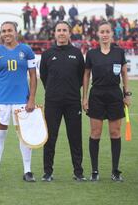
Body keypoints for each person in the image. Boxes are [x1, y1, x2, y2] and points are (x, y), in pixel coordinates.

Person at [0, 21, 37, 182]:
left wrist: (32, 99)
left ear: (16, 32)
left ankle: (27, 171)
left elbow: (34, 76)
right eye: (3, 31)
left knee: (23, 137)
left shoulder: (26, 50)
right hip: (1, 101)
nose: (6, 33)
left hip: (22, 100)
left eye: (9, 30)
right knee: (0, 135)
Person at [82, 21, 131, 182]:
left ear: (112, 34)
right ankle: (95, 171)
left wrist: (127, 93)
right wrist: (85, 97)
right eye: (102, 31)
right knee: (95, 133)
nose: (104, 34)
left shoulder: (119, 53)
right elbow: (86, 75)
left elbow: (124, 74)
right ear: (97, 34)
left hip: (115, 95)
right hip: (96, 95)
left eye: (107, 31)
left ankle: (115, 171)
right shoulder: (91, 54)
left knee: (115, 133)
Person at [40, 21, 86, 182]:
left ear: (69, 33)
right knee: (50, 138)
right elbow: (43, 77)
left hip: (73, 102)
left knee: (75, 137)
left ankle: (78, 172)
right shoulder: (47, 54)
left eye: (64, 30)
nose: (61, 33)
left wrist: (70, 89)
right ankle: (47, 172)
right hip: (53, 102)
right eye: (59, 30)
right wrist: (54, 91)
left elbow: (81, 77)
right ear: (55, 33)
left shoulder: (77, 53)